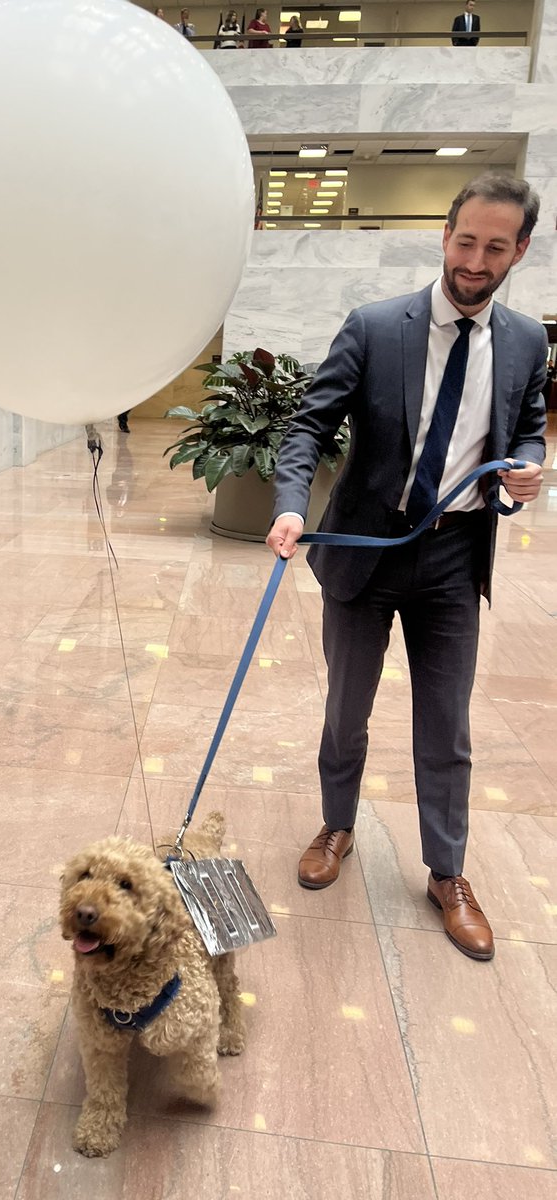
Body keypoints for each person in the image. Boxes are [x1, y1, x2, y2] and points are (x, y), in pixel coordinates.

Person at [266, 175, 547, 962]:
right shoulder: (376, 327)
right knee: (346, 708)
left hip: (455, 557)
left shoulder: (525, 340)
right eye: (465, 241)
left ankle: (448, 872)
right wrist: (291, 502)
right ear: (444, 234)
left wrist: (526, 465)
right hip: (363, 554)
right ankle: (336, 824)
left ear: (519, 250)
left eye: (496, 246)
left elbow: (526, 427)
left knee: (445, 726)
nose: (475, 260)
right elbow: (308, 426)